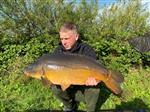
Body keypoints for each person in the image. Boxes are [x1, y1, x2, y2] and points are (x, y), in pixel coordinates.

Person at [50, 22, 111, 112]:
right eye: (61, 39)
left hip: (83, 85)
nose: (64, 42)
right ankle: (70, 106)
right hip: (68, 86)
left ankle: (90, 110)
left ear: (76, 37)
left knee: (94, 88)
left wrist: (95, 80)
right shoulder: (58, 51)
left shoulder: (86, 49)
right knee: (55, 88)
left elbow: (94, 69)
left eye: (66, 38)